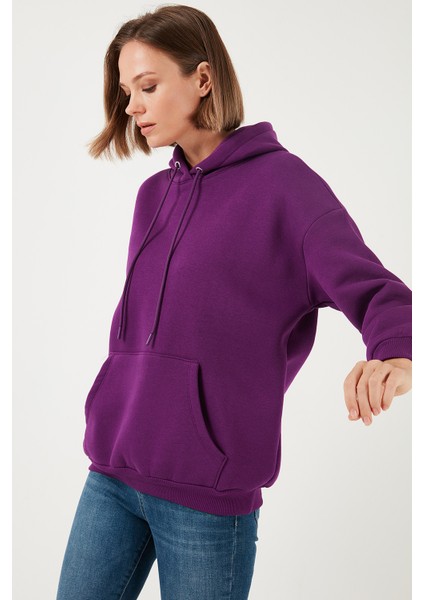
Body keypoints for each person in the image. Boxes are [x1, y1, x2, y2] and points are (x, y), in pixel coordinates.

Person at [55, 4, 412, 600]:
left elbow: (380, 292)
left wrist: (393, 356)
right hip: (114, 472)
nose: (132, 106)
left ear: (202, 78)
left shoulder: (285, 188)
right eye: (126, 91)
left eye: (147, 86)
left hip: (207, 496)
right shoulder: (153, 195)